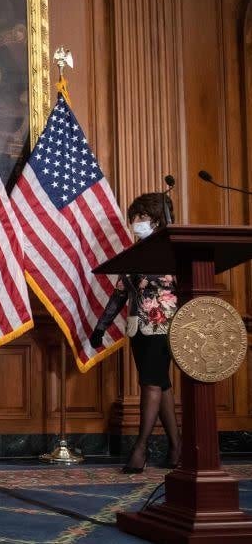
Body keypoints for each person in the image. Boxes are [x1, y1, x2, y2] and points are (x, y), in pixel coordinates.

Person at [89, 193, 180, 473]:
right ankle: (178, 447)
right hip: (137, 328)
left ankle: (140, 448)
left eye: (141, 217)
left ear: (157, 218)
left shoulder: (172, 248)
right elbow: (120, 293)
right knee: (159, 384)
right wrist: (101, 325)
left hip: (163, 324)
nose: (136, 223)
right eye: (134, 218)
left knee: (150, 384)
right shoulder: (137, 250)